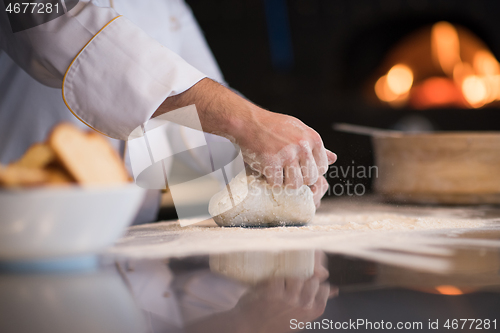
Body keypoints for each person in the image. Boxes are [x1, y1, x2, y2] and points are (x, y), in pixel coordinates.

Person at [0, 0, 336, 211]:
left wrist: (269, 171)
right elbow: (52, 29)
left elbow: (193, 126)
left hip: (137, 248)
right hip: (27, 230)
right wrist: (247, 124)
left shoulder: (167, 6)